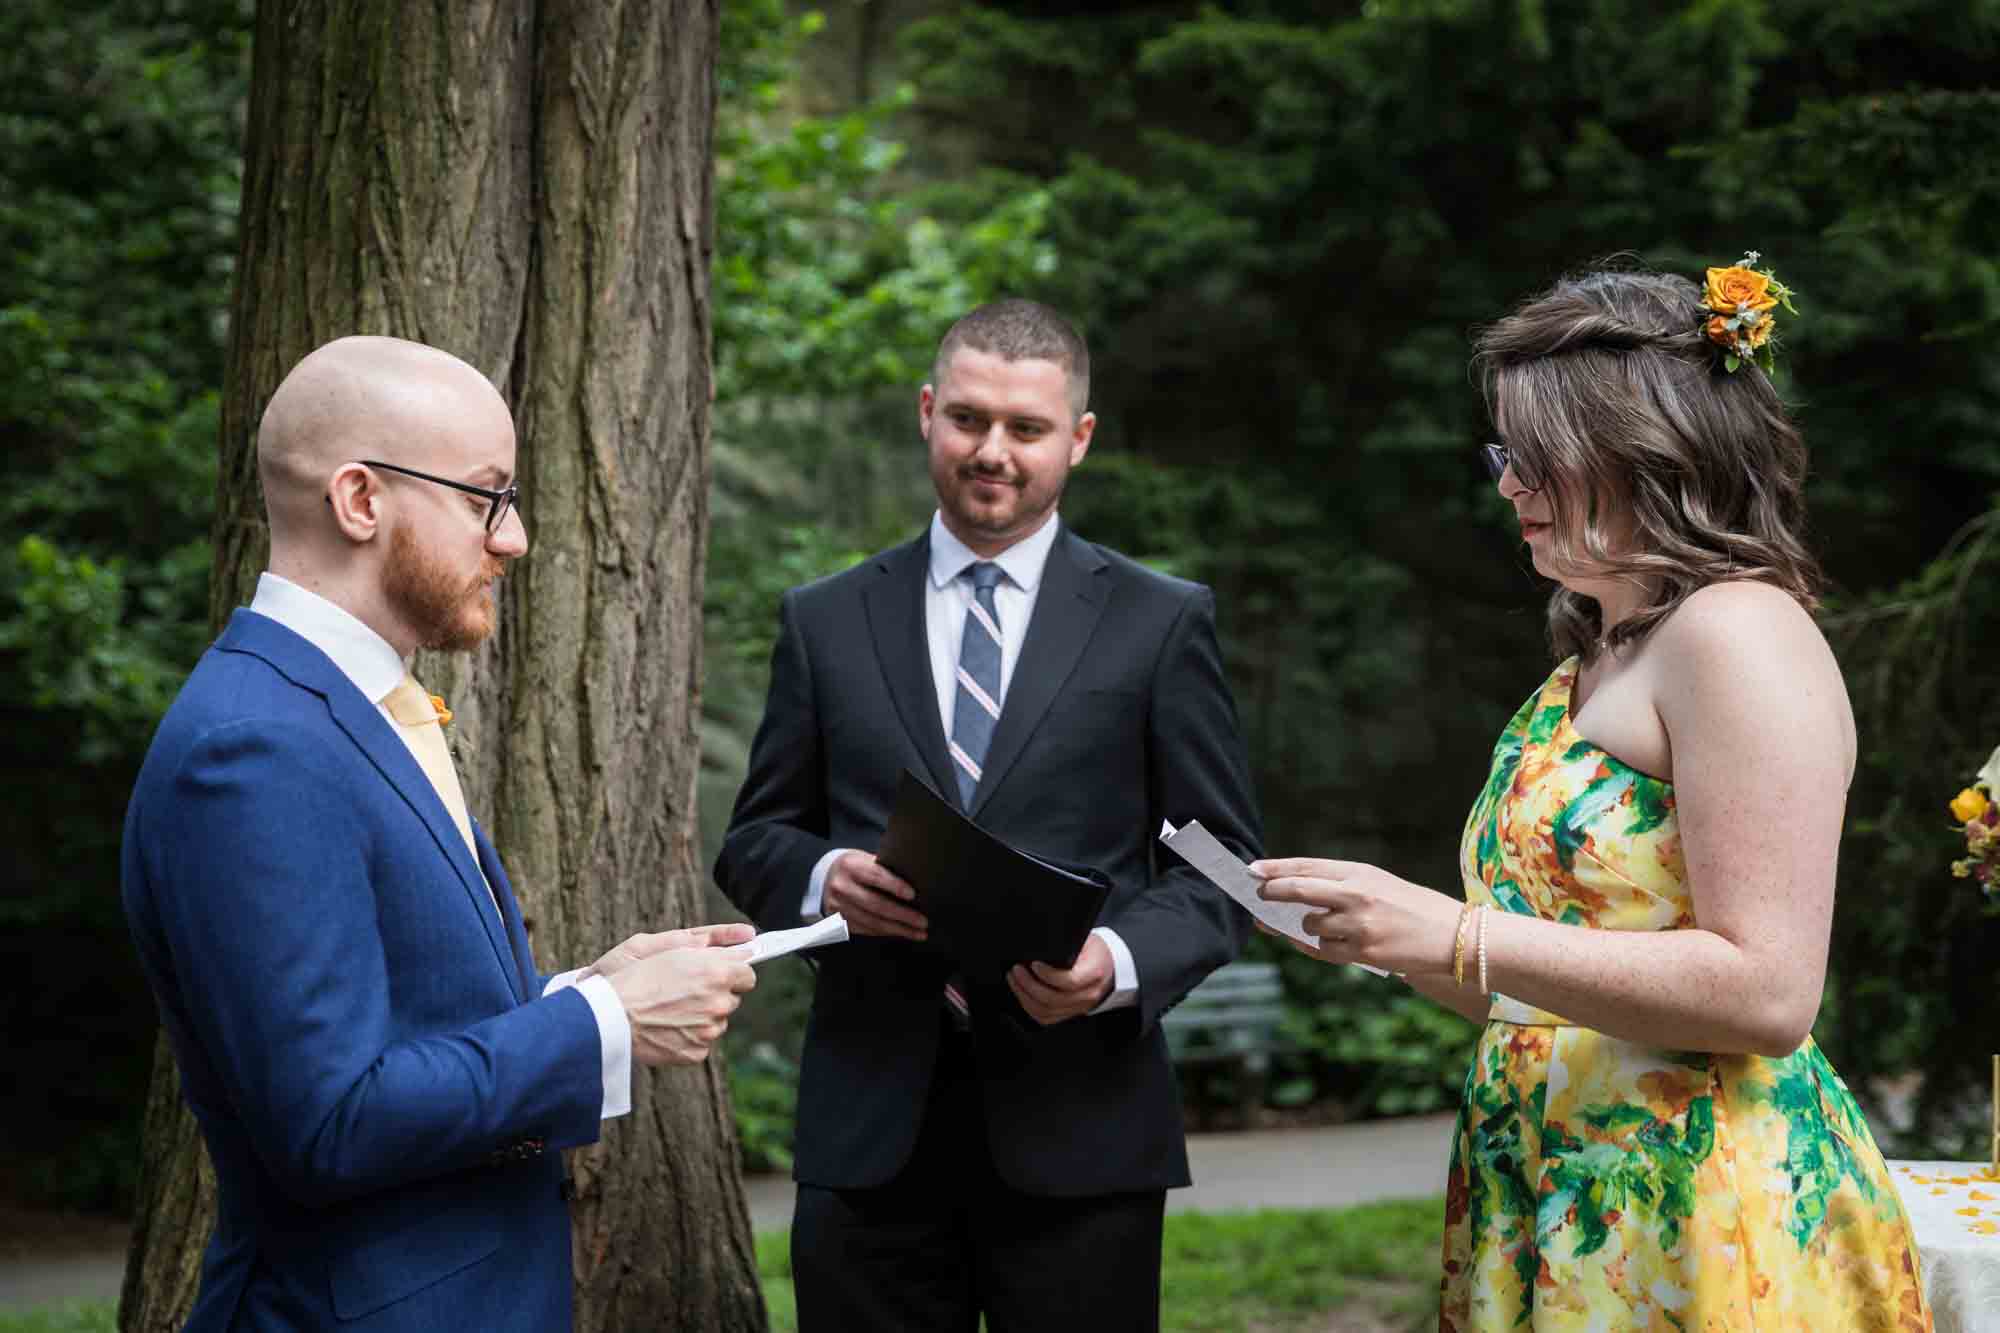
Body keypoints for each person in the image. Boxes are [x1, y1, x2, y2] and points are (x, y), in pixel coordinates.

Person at [1256, 262, 1932, 1330]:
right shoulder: (1589, 655)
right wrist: (1390, 939)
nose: (1506, 486)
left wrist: (1459, 928)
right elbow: (1535, 990)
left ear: (1642, 456)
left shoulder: (1737, 633)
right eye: (1504, 456)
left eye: (1533, 459)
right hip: (1552, 1187)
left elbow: (1766, 991)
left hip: (1696, 1213)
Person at [121, 335, 759, 1332]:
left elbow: (400, 1024)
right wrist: (604, 1026)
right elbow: (330, 1121)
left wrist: (588, 992)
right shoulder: (254, 748)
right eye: (484, 497)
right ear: (362, 501)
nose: (513, 538)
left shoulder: (351, 705)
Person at [714, 298, 1263, 1331]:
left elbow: (1225, 864)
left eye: (1025, 427)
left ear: (1077, 439)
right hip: (870, 1133)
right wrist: (822, 875)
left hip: (1082, 1131)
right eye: (968, 418)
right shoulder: (824, 618)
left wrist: (1114, 962)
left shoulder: (1160, 620)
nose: (991, 452)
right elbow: (754, 836)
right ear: (927, 413)